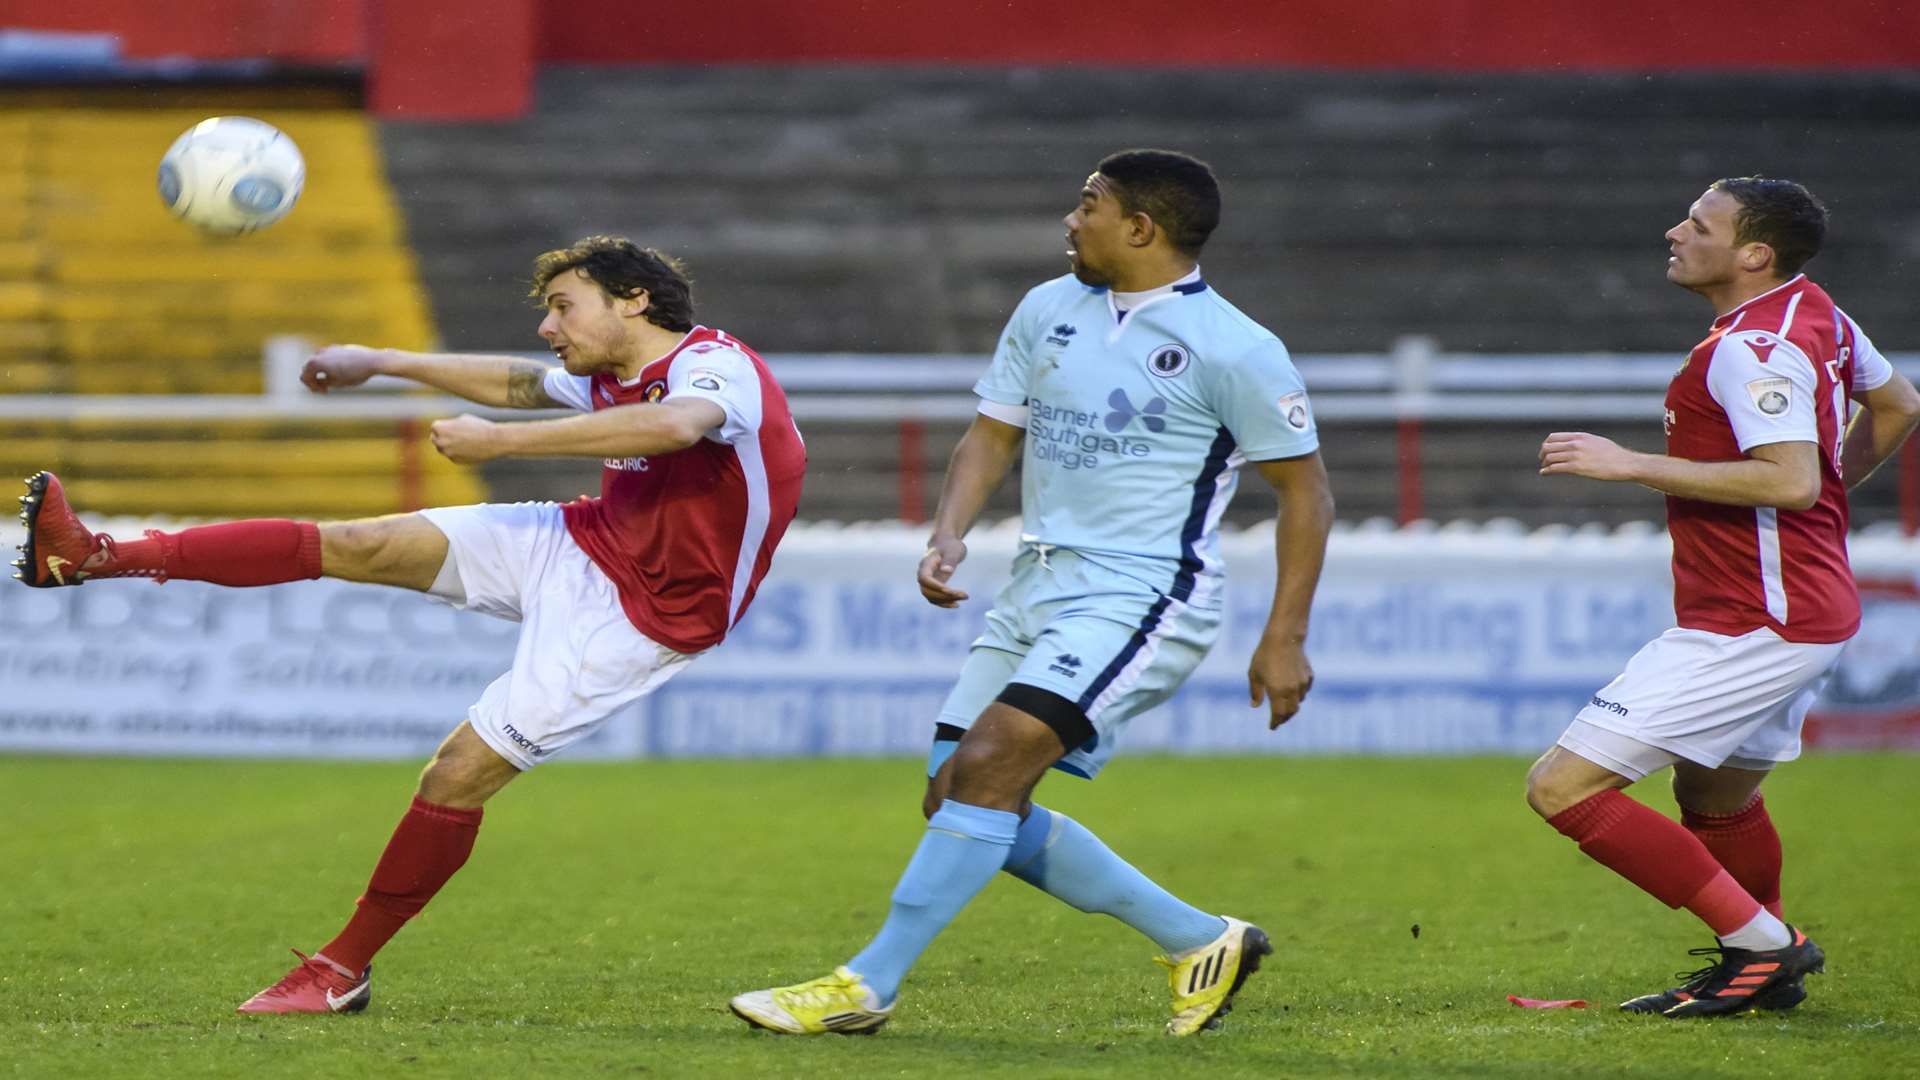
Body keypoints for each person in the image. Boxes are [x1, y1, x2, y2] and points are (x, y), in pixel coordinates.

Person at [13, 235, 807, 1014]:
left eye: (563, 306)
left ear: (634, 299)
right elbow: (520, 383)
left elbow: (675, 427)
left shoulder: (712, 365)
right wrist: (383, 361)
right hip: (585, 540)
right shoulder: (611, 371)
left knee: (455, 776)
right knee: (361, 541)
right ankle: (92, 557)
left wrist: (499, 445)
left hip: (650, 613)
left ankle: (340, 970)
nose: (548, 327)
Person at [728, 149, 1335, 1037]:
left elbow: (1306, 492)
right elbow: (991, 434)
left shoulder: (1238, 348)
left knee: (989, 767)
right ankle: (1201, 939)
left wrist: (1285, 635)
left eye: (1088, 204)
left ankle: (865, 985)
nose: (1070, 218)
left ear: (1141, 229)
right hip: (1036, 584)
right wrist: (948, 531)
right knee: (953, 789)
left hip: (1144, 597)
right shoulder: (1046, 308)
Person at [1530, 177, 1920, 1018]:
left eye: (1698, 224)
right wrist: (1829, 496)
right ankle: (1760, 959)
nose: (1674, 231)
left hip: (1758, 620)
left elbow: (1787, 481)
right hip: (1803, 606)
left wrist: (1628, 462)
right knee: (1716, 796)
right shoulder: (1812, 310)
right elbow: (1898, 403)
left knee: (1563, 788)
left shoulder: (1753, 347)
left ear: (1754, 254)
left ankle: (1764, 947)